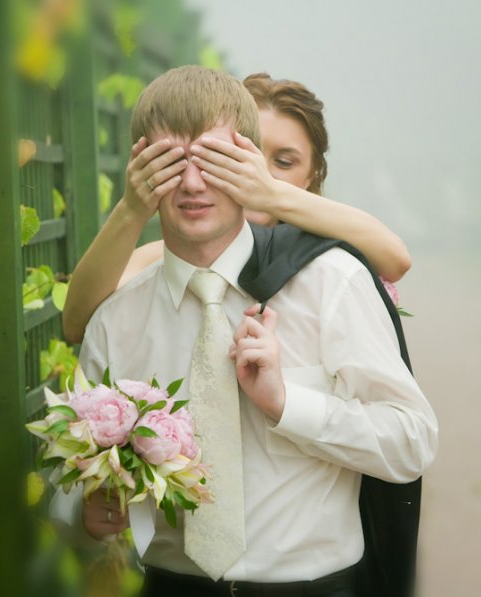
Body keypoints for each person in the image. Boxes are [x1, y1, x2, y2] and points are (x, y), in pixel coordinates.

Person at [59, 65, 437, 596]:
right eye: (172, 163)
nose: (192, 183)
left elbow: (412, 443)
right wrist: (82, 512)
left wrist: (289, 404)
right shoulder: (122, 311)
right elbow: (67, 490)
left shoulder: (333, 282)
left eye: (214, 161)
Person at [61, 73, 411, 345]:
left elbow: (395, 258)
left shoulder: (326, 265)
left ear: (312, 176)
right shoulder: (175, 255)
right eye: (234, 156)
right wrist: (132, 207)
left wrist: (269, 192)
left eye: (283, 162)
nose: (255, 171)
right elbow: (77, 324)